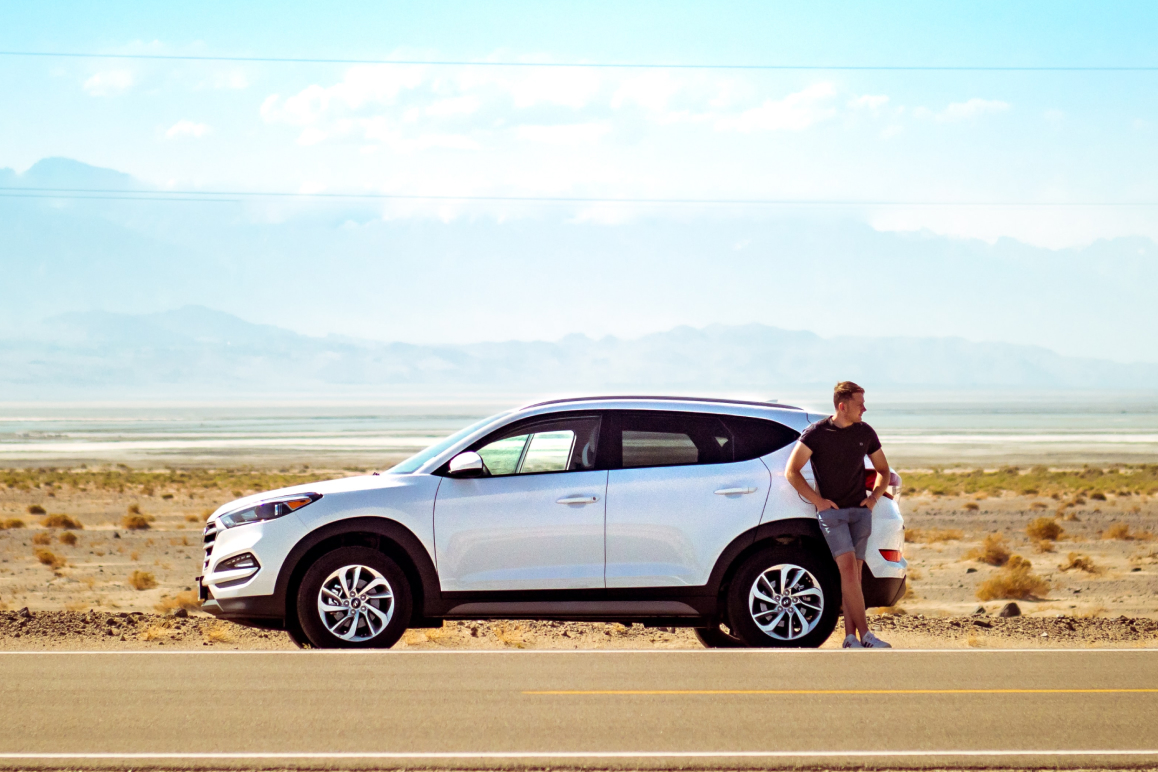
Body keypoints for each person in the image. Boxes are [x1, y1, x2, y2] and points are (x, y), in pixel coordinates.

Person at [786, 381, 893, 649]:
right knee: (847, 571)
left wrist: (872, 499)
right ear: (842, 406)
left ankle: (849, 637)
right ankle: (866, 635)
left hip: (860, 513)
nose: (864, 409)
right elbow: (792, 471)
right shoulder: (816, 433)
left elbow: (884, 470)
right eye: (860, 404)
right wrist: (818, 501)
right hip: (832, 516)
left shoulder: (865, 432)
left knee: (854, 577)